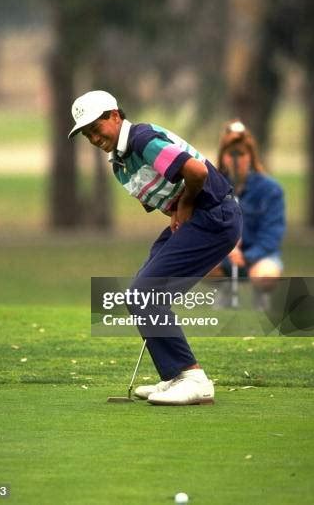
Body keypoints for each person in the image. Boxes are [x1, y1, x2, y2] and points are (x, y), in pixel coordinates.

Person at [68, 90, 242, 405]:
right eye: (87, 134)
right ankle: (175, 376)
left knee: (144, 293)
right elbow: (167, 200)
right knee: (139, 293)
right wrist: (179, 209)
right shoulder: (120, 166)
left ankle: (194, 379)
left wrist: (187, 203)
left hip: (216, 215)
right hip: (198, 218)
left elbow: (197, 172)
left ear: (115, 116)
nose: (93, 137)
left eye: (97, 127)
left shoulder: (142, 140)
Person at [209, 120, 286, 308]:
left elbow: (272, 233)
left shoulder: (271, 189)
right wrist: (227, 252)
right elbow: (207, 228)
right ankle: (225, 290)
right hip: (225, 255)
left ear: (251, 156)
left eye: (242, 154)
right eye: (231, 154)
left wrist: (247, 256)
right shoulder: (212, 188)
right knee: (199, 266)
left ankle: (261, 299)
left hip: (260, 255)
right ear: (223, 156)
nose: (236, 160)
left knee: (266, 275)